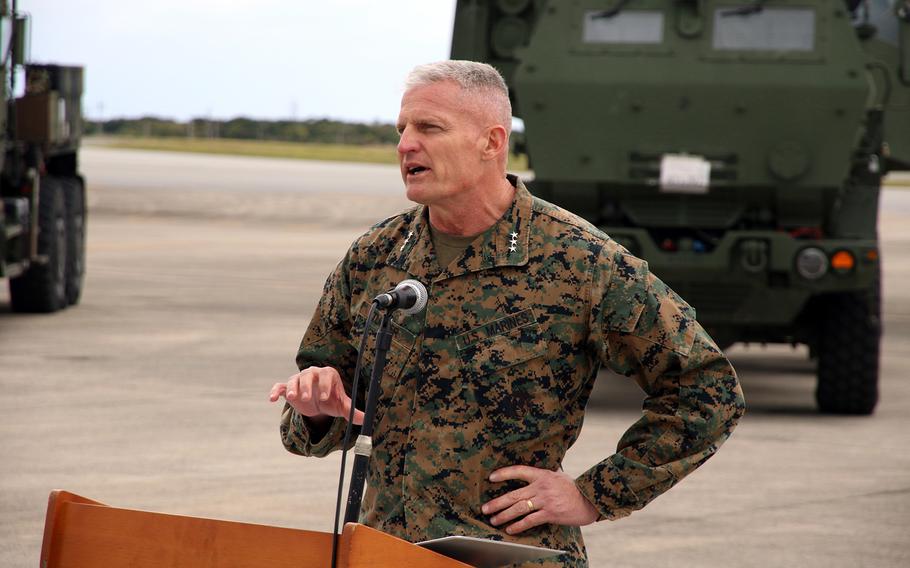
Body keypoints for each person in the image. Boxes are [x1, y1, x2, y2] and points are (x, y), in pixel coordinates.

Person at [269, 60, 745, 567]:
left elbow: (706, 390)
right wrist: (316, 407)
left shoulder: (579, 260)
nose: (406, 145)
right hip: (389, 553)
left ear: (492, 142)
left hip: (513, 556)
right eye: (402, 130)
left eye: (429, 128)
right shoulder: (377, 255)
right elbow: (316, 416)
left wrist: (594, 495)